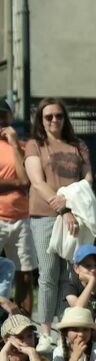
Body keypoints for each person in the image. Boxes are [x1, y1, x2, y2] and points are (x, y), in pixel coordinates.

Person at [24, 97, 92, 344]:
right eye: (48, 116)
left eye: (59, 116)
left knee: (71, 276)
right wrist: (63, 210)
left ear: (65, 118)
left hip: (76, 216)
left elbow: (87, 180)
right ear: (40, 120)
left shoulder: (78, 145)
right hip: (45, 215)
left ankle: (67, 329)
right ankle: (45, 332)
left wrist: (72, 208)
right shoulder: (35, 145)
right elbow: (37, 182)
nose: (54, 120)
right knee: (49, 274)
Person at [58, 244, 96, 359]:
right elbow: (78, 308)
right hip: (76, 331)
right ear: (76, 268)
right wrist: (92, 282)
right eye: (88, 266)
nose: (93, 269)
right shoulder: (69, 284)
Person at [0, 99, 32, 313]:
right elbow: (22, 181)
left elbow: (28, 179)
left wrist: (13, 143)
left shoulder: (21, 145)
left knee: (25, 274)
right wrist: (18, 183)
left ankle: (26, 327)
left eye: (4, 115)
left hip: (23, 217)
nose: (1, 120)